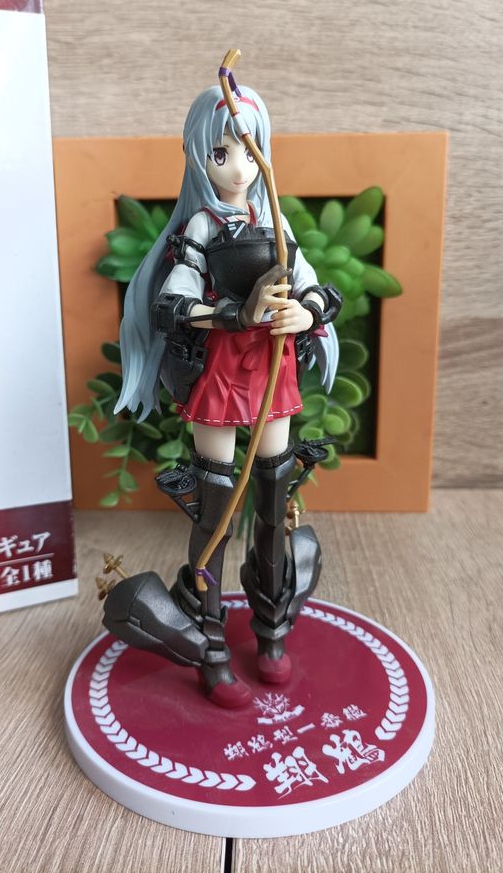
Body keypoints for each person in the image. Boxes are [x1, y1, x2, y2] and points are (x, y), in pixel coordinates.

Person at [108, 83, 341, 708]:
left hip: (272, 366)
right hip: (222, 369)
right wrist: (237, 315)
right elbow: (174, 303)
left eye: (249, 150)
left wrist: (305, 312)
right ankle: (211, 645)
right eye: (221, 154)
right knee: (215, 509)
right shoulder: (200, 227)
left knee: (273, 491)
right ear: (198, 157)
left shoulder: (274, 220)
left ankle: (272, 627)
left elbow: (316, 287)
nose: (238, 167)